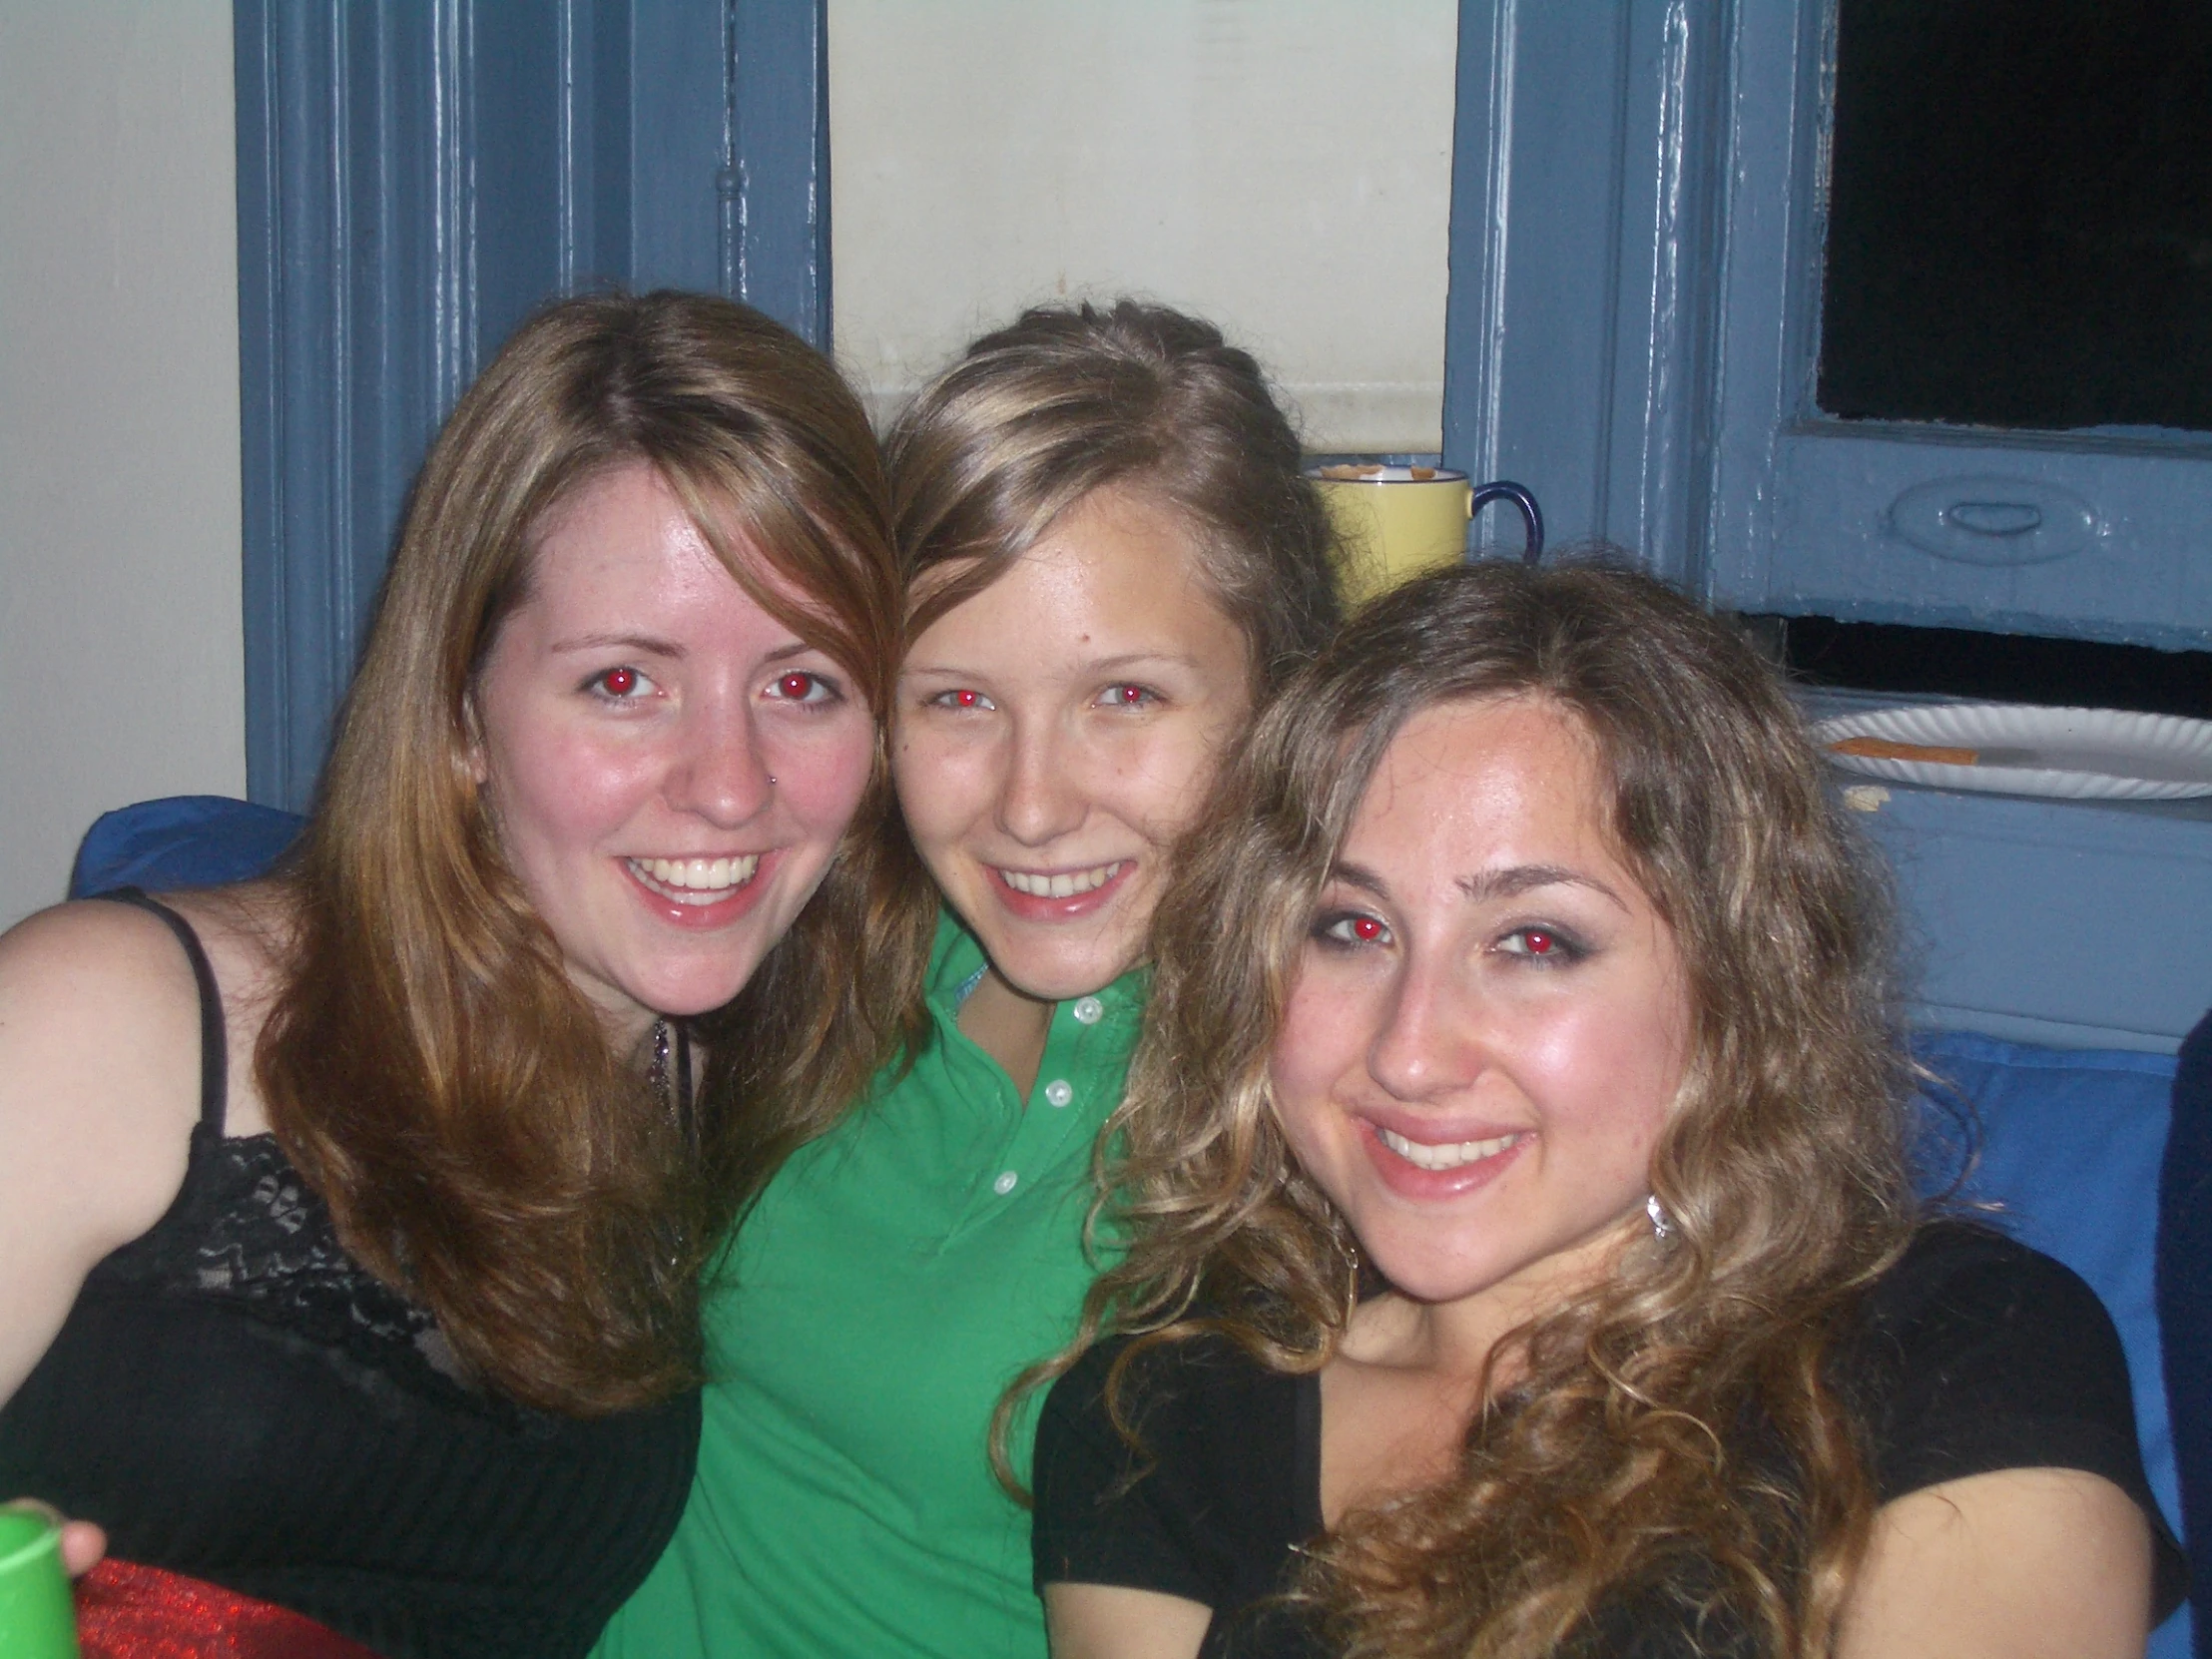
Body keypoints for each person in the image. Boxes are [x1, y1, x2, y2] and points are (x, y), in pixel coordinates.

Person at [1031, 560, 2188, 1659]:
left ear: (1738, 984)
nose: (1410, 1052)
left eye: (1534, 942)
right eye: (1350, 928)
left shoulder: (1952, 1351)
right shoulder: (1159, 1412)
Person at [0, 289, 905, 1659]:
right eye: (622, 682)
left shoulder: (766, 1101)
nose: (729, 788)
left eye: (804, 685)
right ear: (457, 711)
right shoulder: (107, 1020)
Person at [593, 299, 1342, 1659]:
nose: (1032, 805)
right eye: (956, 699)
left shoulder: (1333, 1103)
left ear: (1278, 703)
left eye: (1125, 697)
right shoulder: (820, 948)